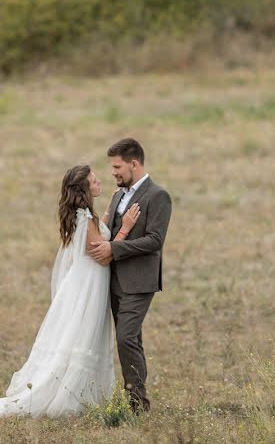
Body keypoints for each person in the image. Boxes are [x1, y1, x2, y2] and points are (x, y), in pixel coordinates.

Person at [0, 164, 140, 418]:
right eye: (94, 181)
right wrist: (125, 227)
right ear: (84, 189)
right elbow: (103, 255)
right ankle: (65, 398)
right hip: (88, 288)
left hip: (80, 283)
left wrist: (111, 209)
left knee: (73, 335)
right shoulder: (87, 219)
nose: (99, 181)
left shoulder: (82, 217)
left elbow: (97, 235)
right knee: (81, 336)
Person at [87, 138, 172, 414]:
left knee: (125, 337)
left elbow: (154, 241)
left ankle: (137, 402)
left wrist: (115, 248)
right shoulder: (117, 195)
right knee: (131, 339)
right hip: (113, 280)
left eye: (117, 166)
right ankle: (136, 400)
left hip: (139, 281)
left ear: (134, 164)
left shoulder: (158, 196)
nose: (113, 172)